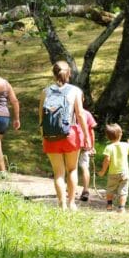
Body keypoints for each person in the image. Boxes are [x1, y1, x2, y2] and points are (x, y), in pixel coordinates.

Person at [38, 60, 87, 210]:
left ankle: (62, 204)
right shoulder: (75, 91)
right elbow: (79, 114)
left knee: (58, 173)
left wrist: (43, 137)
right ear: (69, 74)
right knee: (72, 169)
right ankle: (72, 203)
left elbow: (41, 118)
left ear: (54, 74)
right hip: (70, 134)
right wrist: (86, 136)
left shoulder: (45, 92)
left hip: (51, 136)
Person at [98, 123, 129, 213]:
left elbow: (107, 160)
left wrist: (103, 171)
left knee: (110, 189)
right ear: (121, 134)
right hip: (125, 173)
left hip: (113, 173)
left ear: (108, 137)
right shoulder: (125, 145)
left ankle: (109, 206)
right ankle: (121, 208)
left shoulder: (109, 147)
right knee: (123, 191)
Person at [76, 108, 98, 201]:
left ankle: (70, 189)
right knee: (85, 167)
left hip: (72, 143)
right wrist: (92, 146)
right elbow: (91, 132)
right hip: (85, 144)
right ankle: (85, 190)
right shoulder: (87, 113)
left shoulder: (69, 112)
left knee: (71, 167)